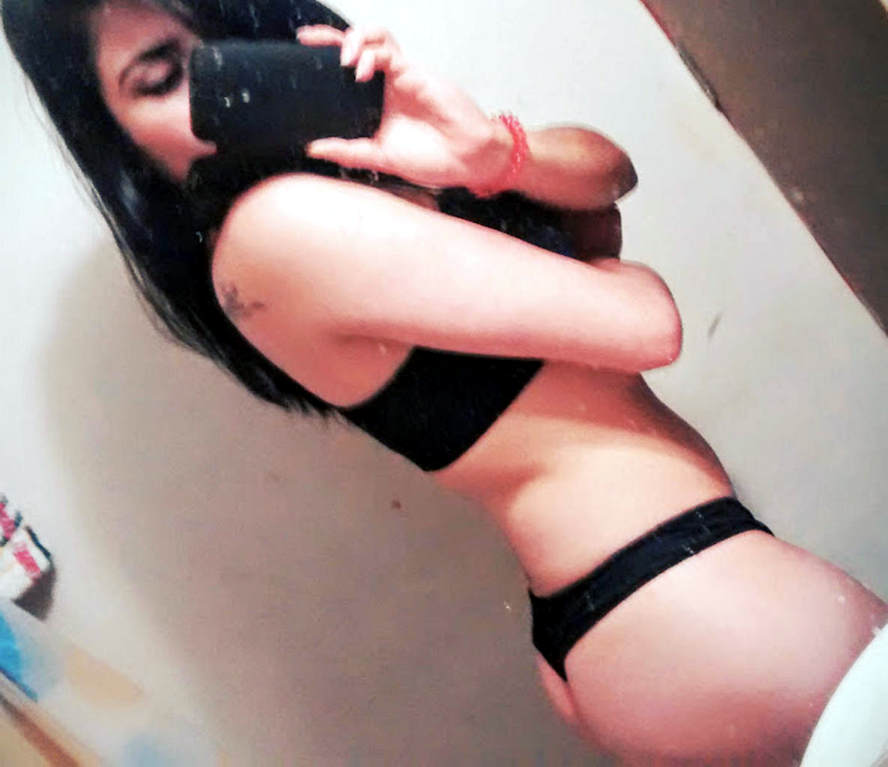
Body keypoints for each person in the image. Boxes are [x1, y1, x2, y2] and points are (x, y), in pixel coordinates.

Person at [3, 0, 886, 762]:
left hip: (659, 587)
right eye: (164, 77)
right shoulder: (279, 226)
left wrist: (487, 155)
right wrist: (530, 207)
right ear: (115, 136)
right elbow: (646, 321)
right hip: (674, 592)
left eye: (226, 35)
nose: (222, 82)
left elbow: (606, 179)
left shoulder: (363, 171)